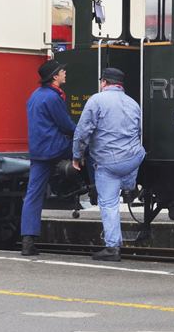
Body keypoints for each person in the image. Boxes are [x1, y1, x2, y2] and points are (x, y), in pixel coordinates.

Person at [72, 67, 146, 262]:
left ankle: (112, 247)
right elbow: (139, 132)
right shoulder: (133, 103)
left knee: (109, 203)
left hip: (110, 163)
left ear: (104, 82)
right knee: (131, 159)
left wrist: (77, 155)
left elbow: (83, 131)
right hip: (133, 159)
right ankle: (129, 186)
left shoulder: (96, 100)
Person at [23, 60, 76, 256]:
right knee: (89, 151)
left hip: (38, 151)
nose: (65, 73)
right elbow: (66, 125)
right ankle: (93, 187)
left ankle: (28, 240)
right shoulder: (53, 98)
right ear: (55, 77)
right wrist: (83, 134)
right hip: (55, 147)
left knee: (33, 194)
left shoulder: (35, 95)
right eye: (62, 71)